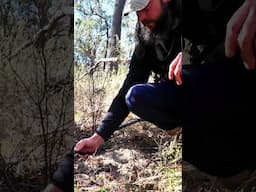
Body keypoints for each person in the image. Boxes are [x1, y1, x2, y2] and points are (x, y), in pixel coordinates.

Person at [45, 0, 256, 191]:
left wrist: (187, 56)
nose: (142, 17)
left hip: (224, 76)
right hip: (183, 96)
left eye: (145, 8)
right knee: (134, 95)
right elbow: (128, 88)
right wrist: (98, 137)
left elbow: (229, 33)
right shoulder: (146, 41)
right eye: (136, 12)